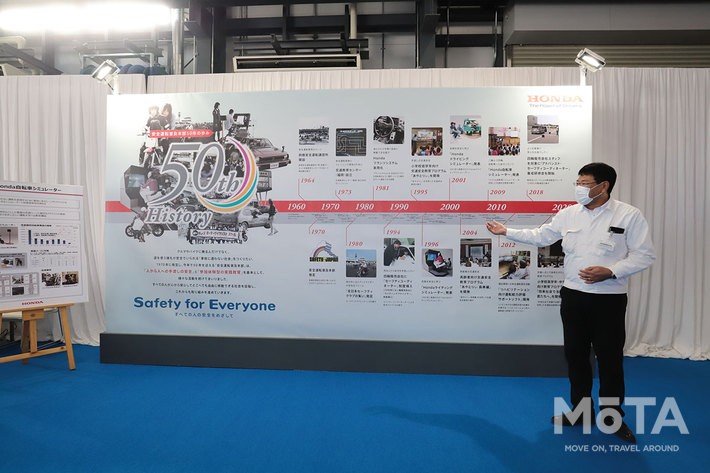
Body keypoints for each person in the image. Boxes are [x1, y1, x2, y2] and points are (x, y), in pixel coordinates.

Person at [486, 162, 655, 444]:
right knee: (576, 356)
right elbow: (541, 235)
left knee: (610, 359)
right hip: (573, 296)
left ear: (604, 186)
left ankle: (612, 417)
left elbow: (645, 255)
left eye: (585, 184)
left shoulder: (629, 215)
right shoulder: (568, 214)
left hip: (609, 299)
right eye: (577, 183)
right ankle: (580, 412)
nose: (579, 188)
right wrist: (507, 231)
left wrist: (611, 271)